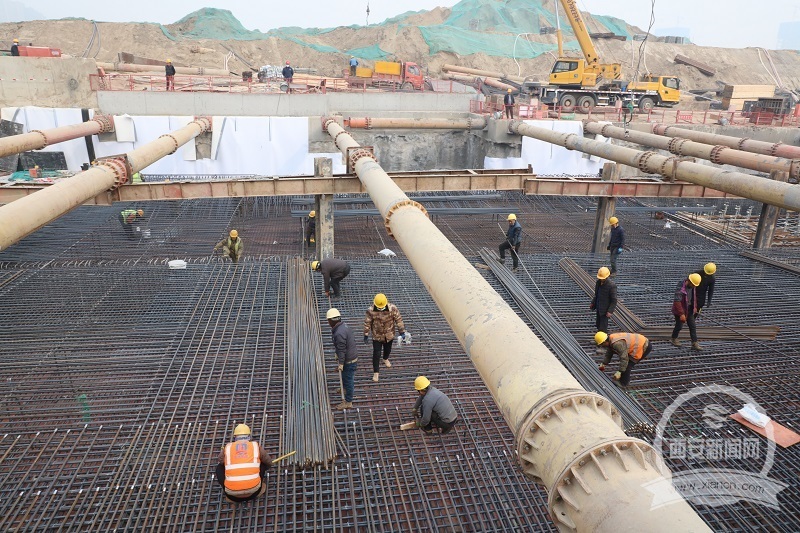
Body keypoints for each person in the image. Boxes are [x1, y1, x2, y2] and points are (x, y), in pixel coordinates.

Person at [215, 423, 273, 503]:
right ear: (249, 436)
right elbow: (268, 462)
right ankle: (260, 487)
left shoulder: (228, 447)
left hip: (232, 495)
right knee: (262, 463)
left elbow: (220, 460)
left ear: (235, 437)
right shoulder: (255, 446)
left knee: (219, 468)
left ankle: (231, 493)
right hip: (254, 492)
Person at [363, 293, 406, 382]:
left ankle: (385, 358)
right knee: (376, 354)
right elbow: (367, 322)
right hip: (377, 336)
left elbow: (399, 319)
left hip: (389, 335)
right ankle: (376, 372)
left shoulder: (392, 309)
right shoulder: (370, 311)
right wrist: (366, 334)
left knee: (388, 350)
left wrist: (401, 331)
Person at [328, 308, 357, 410]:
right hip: (350, 356)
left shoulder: (339, 333)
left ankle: (348, 402)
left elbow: (342, 350)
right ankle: (344, 388)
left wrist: (341, 363)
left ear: (331, 321)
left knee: (349, 380)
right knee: (345, 376)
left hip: (349, 360)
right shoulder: (343, 326)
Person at [671, 273, 703, 350]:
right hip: (680, 309)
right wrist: (681, 314)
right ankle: (674, 338)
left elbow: (693, 296)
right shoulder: (680, 286)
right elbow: (677, 301)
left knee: (692, 326)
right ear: (689, 281)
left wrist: (695, 307)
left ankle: (694, 343)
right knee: (679, 325)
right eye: (693, 285)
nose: (694, 286)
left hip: (689, 308)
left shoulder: (693, 285)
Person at [590, 266, 617, 333]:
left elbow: (614, 300)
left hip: (605, 310)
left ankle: (603, 341)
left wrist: (610, 311)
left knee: (603, 327)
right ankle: (599, 336)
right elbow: (596, 294)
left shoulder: (611, 286)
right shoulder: (598, 283)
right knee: (598, 324)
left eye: (603, 278)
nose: (601, 279)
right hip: (599, 306)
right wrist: (593, 302)